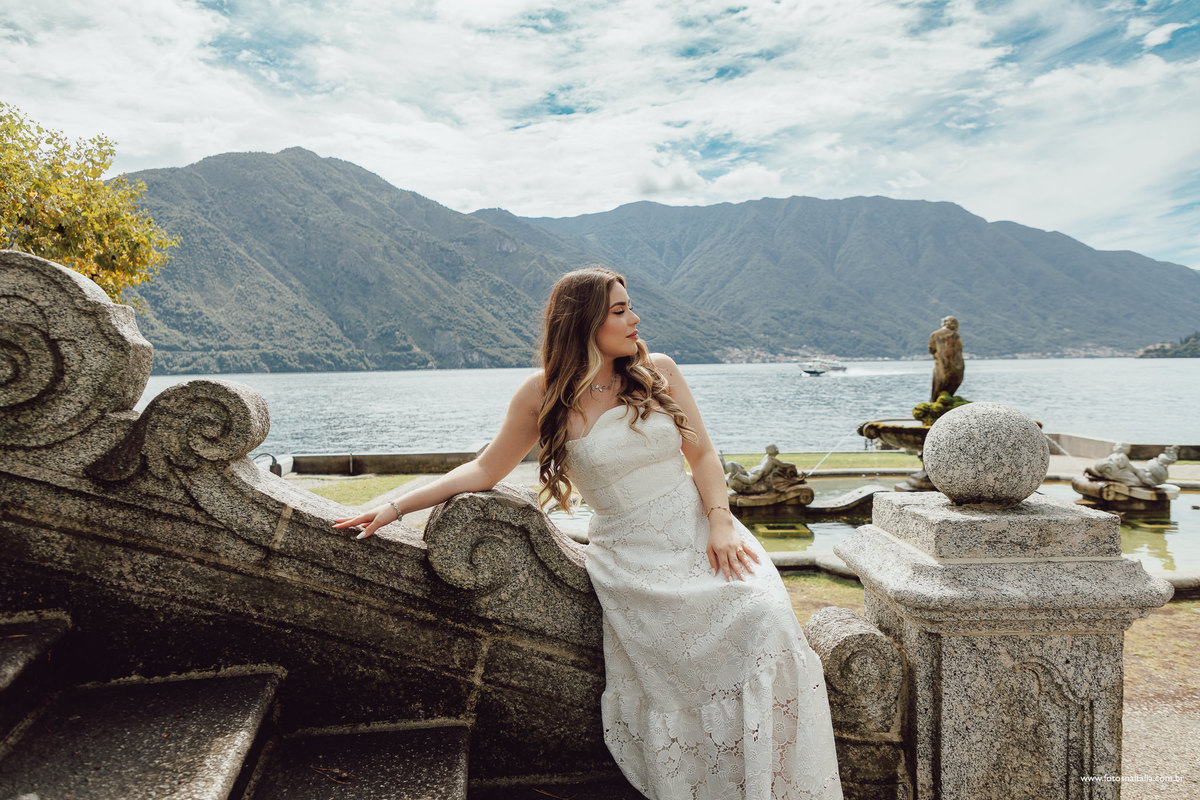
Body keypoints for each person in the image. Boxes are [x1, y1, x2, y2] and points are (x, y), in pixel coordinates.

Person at [334, 267, 843, 799]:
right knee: (695, 668)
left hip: (702, 531)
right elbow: (484, 470)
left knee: (765, 620)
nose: (635, 318)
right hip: (633, 557)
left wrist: (720, 521)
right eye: (620, 311)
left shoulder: (658, 370)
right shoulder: (542, 394)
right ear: (583, 321)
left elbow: (704, 453)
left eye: (630, 306)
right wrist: (394, 505)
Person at [928, 315, 964, 402]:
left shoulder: (934, 334)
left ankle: (935, 403)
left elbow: (931, 349)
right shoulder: (955, 335)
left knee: (937, 387)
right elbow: (959, 349)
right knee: (951, 387)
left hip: (941, 365)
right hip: (957, 366)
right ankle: (945, 402)